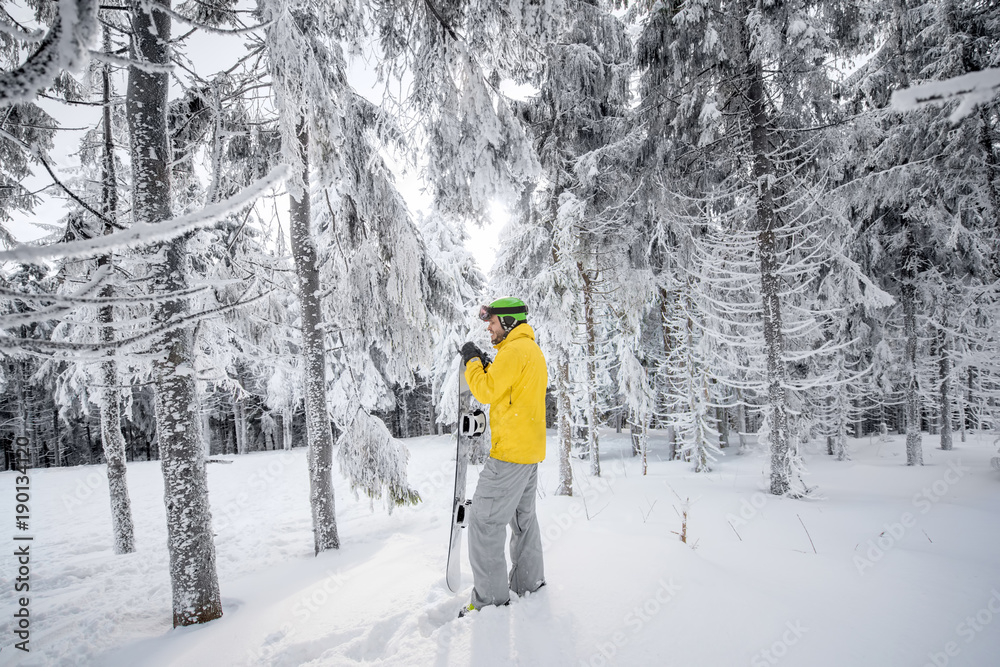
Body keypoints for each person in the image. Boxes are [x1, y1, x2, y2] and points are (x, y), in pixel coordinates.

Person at [459, 297, 548, 616]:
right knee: (523, 520)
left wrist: (472, 361)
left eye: (493, 322)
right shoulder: (531, 350)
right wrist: (487, 363)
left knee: (484, 520)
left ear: (509, 322)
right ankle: (529, 582)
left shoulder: (513, 351)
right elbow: (507, 388)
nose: (489, 327)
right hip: (530, 453)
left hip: (510, 455)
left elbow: (485, 391)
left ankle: (489, 602)